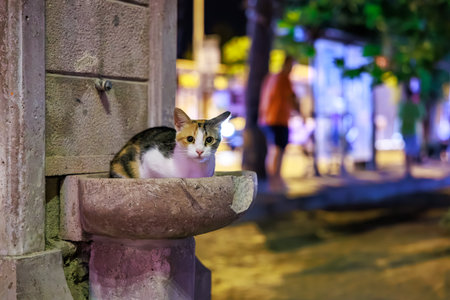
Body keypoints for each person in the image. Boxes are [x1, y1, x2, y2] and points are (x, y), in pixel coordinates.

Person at [259, 55, 299, 191]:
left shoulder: (271, 77)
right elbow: (291, 97)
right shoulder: (284, 78)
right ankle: (275, 179)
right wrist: (300, 112)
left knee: (272, 149)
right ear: (288, 64)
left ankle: (274, 179)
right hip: (278, 119)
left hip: (266, 119)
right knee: (278, 149)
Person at [398, 81, 425, 177]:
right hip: (412, 130)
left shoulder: (403, 105)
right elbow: (421, 114)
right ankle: (409, 170)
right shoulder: (414, 105)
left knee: (407, 150)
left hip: (404, 130)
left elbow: (399, 115)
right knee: (410, 150)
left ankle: (407, 170)